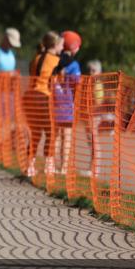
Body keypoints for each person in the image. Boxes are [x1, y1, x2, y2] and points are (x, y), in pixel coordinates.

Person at [22, 32, 63, 179]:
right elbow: (56, 81)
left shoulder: (36, 57)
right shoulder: (55, 60)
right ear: (55, 45)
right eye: (61, 45)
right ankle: (49, 166)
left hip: (29, 96)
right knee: (51, 132)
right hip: (43, 96)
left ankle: (30, 166)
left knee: (35, 133)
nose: (63, 47)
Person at [52, 31, 82, 175]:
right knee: (67, 135)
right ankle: (63, 167)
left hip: (54, 100)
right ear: (74, 47)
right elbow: (77, 83)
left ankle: (53, 165)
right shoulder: (74, 65)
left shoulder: (55, 59)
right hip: (67, 102)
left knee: (56, 135)